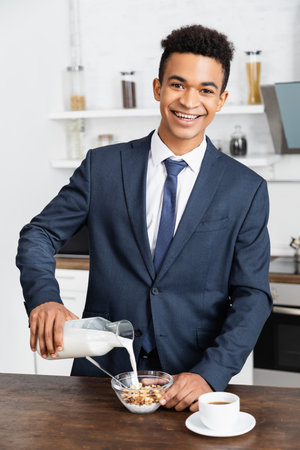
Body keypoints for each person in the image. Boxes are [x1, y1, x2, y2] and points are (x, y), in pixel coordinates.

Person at [16, 24, 272, 412]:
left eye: (205, 90)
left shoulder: (246, 188)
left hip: (190, 384)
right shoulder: (102, 167)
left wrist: (211, 373)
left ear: (221, 100)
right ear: (157, 88)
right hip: (101, 375)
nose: (189, 100)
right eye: (177, 84)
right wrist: (44, 299)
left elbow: (253, 295)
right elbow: (38, 234)